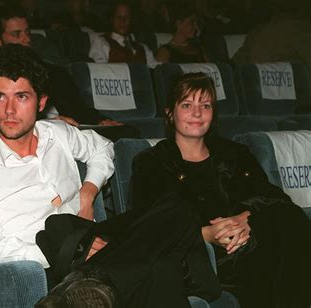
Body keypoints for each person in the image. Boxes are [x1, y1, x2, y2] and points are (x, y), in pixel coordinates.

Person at [0, 44, 222, 307]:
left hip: (94, 243)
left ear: (42, 102)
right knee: (160, 268)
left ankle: (95, 286)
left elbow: (102, 148)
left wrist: (88, 191)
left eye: (22, 97)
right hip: (50, 263)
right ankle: (93, 285)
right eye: (0, 97)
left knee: (177, 207)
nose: (10, 110)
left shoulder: (56, 133)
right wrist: (74, 249)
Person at [129, 72, 311, 308]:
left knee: (289, 218)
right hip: (198, 256)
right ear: (170, 113)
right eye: (187, 105)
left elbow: (276, 198)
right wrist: (207, 234)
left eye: (205, 105)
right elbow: (146, 227)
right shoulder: (151, 163)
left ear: (213, 113)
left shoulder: (234, 153)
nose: (197, 113)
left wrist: (245, 218)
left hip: (250, 242)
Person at [0, 4, 140, 141]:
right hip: (29, 139)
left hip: (69, 133)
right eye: (17, 34)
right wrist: (48, 125)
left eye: (27, 33)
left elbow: (79, 110)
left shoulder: (53, 72)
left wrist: (101, 120)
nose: (26, 40)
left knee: (127, 133)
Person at [88, 1, 159, 68]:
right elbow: (99, 71)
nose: (122, 21)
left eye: (126, 17)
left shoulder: (143, 48)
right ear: (112, 19)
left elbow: (157, 70)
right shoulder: (101, 42)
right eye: (118, 17)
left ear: (131, 21)